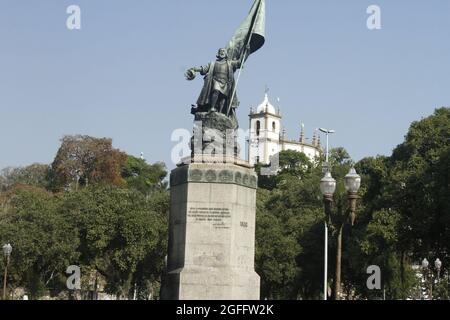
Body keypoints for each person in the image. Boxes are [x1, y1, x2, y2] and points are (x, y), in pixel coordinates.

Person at [185, 47, 247, 117]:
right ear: (218, 53)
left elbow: (239, 62)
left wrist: (245, 52)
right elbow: (204, 68)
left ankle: (220, 112)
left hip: (225, 82)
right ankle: (212, 107)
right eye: (221, 51)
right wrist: (195, 69)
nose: (222, 52)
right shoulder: (213, 63)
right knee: (216, 90)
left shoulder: (230, 63)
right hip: (215, 80)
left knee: (223, 97)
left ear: (226, 54)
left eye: (223, 51)